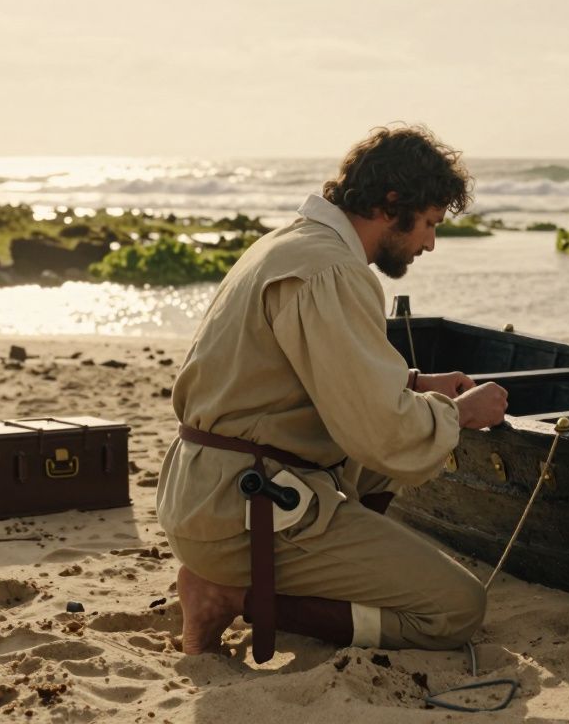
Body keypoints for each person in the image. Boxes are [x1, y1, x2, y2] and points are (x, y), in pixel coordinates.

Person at [157, 124, 509, 657]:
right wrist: (457, 414)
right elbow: (382, 431)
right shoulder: (332, 271)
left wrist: (414, 383)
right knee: (456, 609)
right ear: (393, 203)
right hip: (243, 512)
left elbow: (287, 374)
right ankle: (230, 593)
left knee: (400, 443)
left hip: (203, 493)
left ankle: (337, 555)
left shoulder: (288, 244)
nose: (430, 242)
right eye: (430, 223)